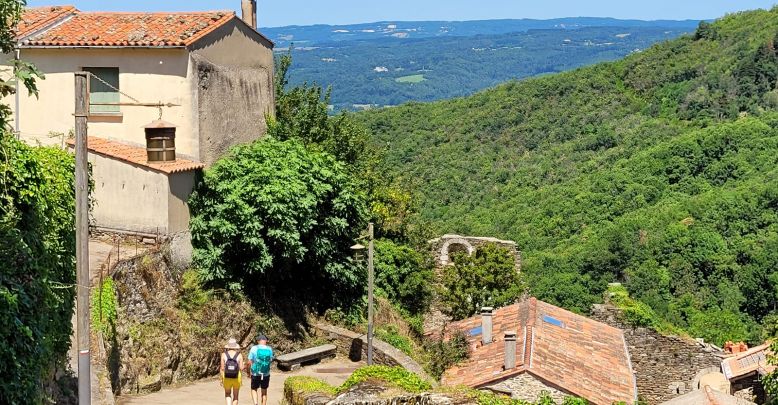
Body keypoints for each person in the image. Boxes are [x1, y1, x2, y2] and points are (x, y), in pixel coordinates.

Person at [248, 334, 274, 405]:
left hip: (255, 373)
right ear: (265, 341)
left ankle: (256, 403)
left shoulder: (253, 348)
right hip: (266, 373)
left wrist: (248, 372)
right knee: (264, 391)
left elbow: (249, 362)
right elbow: (271, 360)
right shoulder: (269, 349)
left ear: (258, 341)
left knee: (254, 389)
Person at [221, 338, 244, 405]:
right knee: (236, 396)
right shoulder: (239, 355)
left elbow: (222, 368)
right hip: (237, 377)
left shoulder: (223, 354)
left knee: (227, 394)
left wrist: (221, 378)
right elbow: (241, 368)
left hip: (226, 376)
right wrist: (244, 365)